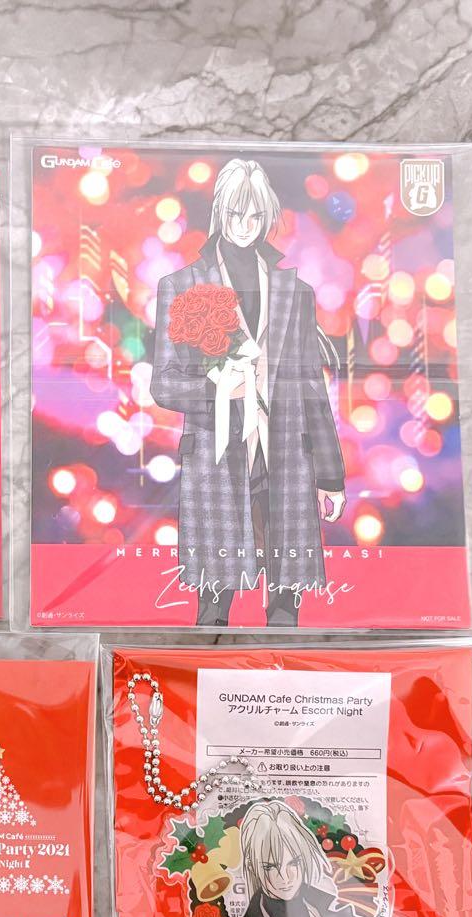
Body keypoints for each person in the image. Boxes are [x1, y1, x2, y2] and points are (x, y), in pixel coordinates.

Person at [150, 158, 346, 626]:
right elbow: (164, 383)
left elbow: (312, 388)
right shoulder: (181, 285)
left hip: (286, 458)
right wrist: (218, 387)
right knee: (213, 609)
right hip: (216, 461)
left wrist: (331, 476)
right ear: (220, 212)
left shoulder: (294, 291)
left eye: (255, 216)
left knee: (286, 607)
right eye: (235, 214)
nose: (244, 225)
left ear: (267, 217)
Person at [219, 800, 363, 917]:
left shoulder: (344, 914)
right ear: (252, 866)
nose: (285, 877)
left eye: (293, 863)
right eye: (270, 867)